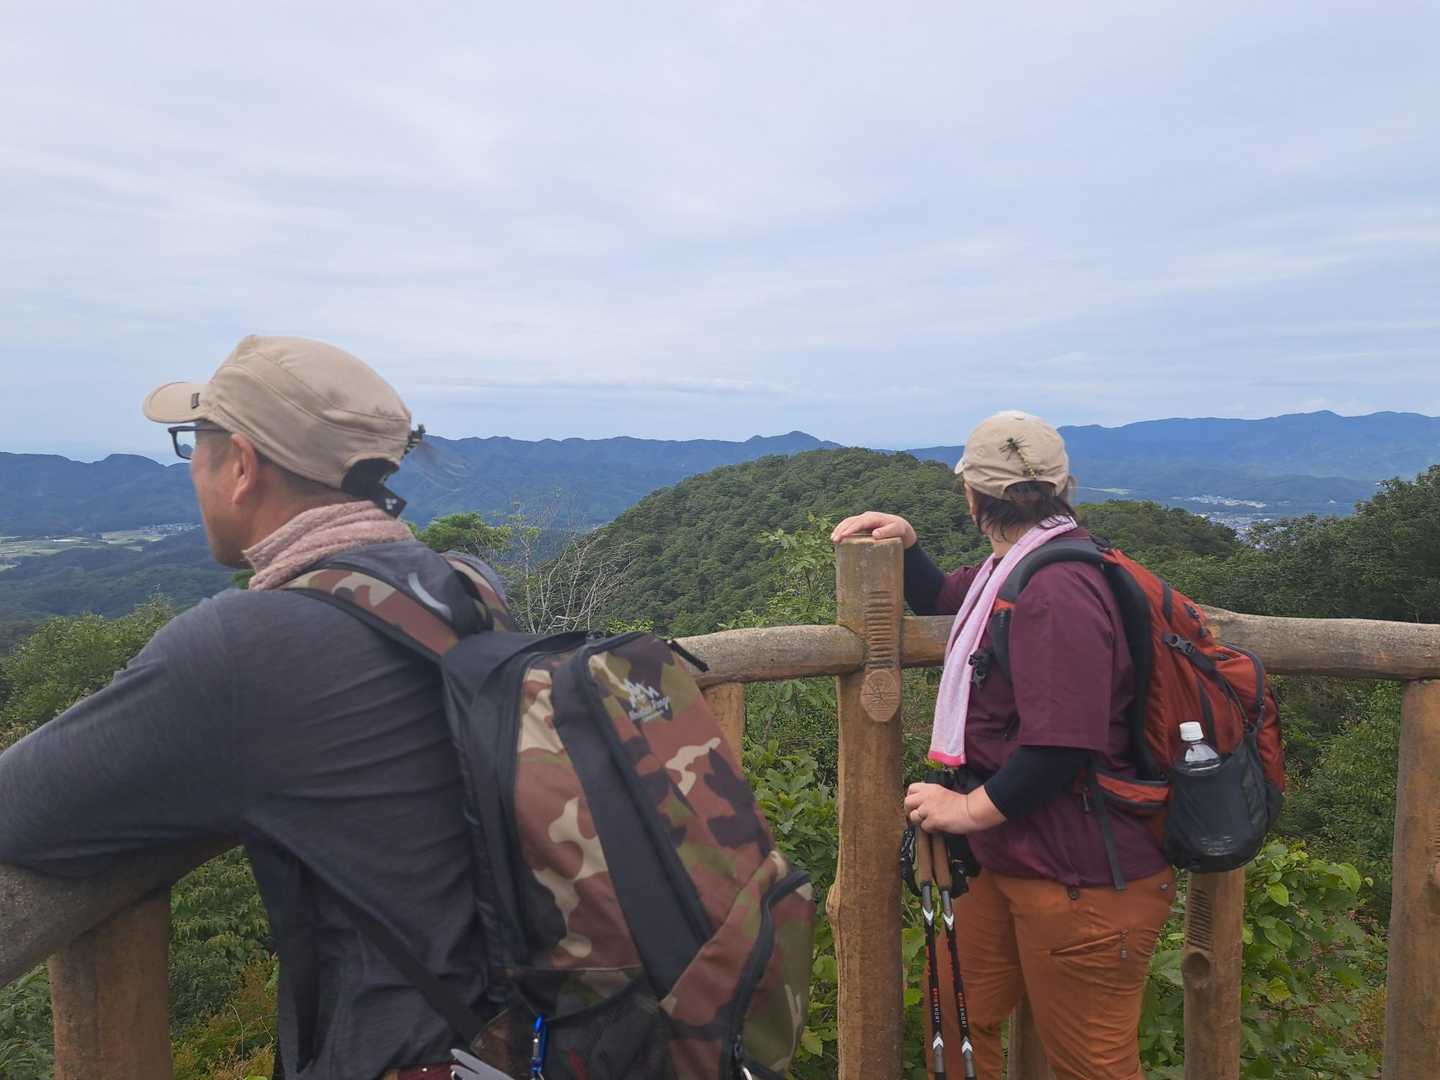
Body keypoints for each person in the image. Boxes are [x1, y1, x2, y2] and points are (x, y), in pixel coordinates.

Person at [0, 336, 501, 1080]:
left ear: (240, 464)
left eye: (192, 444)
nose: (190, 470)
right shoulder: (466, 585)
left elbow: (17, 811)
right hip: (528, 1031)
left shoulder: (246, 645)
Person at [831, 410, 1174, 1080]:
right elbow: (948, 600)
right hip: (1016, 859)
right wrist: (907, 546)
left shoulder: (1056, 591)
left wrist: (963, 810)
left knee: (1094, 1067)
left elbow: (1062, 745)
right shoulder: (1018, 569)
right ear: (1063, 487)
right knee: (960, 1026)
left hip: (1081, 876)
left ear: (973, 496)